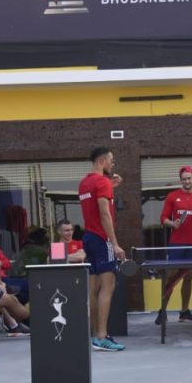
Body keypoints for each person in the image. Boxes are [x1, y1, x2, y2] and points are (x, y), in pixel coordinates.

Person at [79, 146, 125, 352]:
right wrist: (114, 243)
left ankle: (95, 336)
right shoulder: (102, 182)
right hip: (102, 238)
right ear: (102, 161)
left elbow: (94, 202)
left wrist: (110, 186)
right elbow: (105, 214)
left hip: (88, 237)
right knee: (108, 286)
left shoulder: (84, 183)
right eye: (111, 160)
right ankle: (102, 336)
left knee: (93, 289)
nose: (112, 164)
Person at [156, 165, 192, 325]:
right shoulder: (173, 196)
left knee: (189, 277)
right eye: (184, 179)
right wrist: (173, 223)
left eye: (189, 178)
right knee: (171, 277)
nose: (187, 181)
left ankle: (184, 312)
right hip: (177, 244)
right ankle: (162, 311)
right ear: (180, 181)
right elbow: (163, 218)